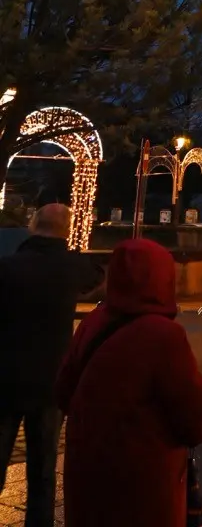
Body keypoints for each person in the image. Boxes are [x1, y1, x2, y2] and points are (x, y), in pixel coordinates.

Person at [57, 237, 202, 527]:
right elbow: (195, 422)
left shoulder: (93, 322)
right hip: (145, 483)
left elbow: (64, 390)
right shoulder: (165, 336)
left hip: (89, 474)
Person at [0, 202, 103, 527]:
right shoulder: (73, 267)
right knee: (43, 470)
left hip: (5, 379)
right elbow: (98, 277)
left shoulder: (8, 267)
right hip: (50, 384)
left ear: (33, 226)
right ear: (66, 231)